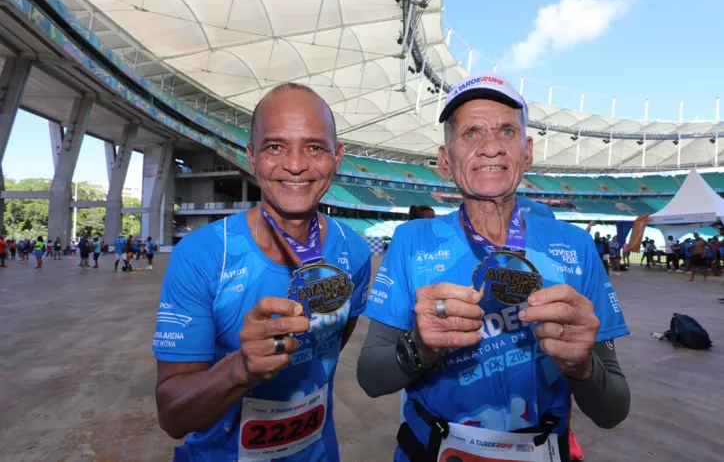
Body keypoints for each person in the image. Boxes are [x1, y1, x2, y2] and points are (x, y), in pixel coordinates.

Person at [357, 72, 630, 462]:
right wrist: (420, 346)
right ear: (445, 160)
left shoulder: (575, 246)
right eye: (471, 133)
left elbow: (613, 409)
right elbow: (369, 376)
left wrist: (581, 365)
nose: (490, 148)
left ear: (527, 151)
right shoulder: (412, 241)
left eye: (506, 132)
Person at [152, 82, 371, 461]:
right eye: (275, 147)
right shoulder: (202, 255)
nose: (296, 164)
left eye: (314, 147)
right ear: (251, 158)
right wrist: (239, 368)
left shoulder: (354, 251)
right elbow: (172, 416)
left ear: (337, 158)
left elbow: (328, 350)